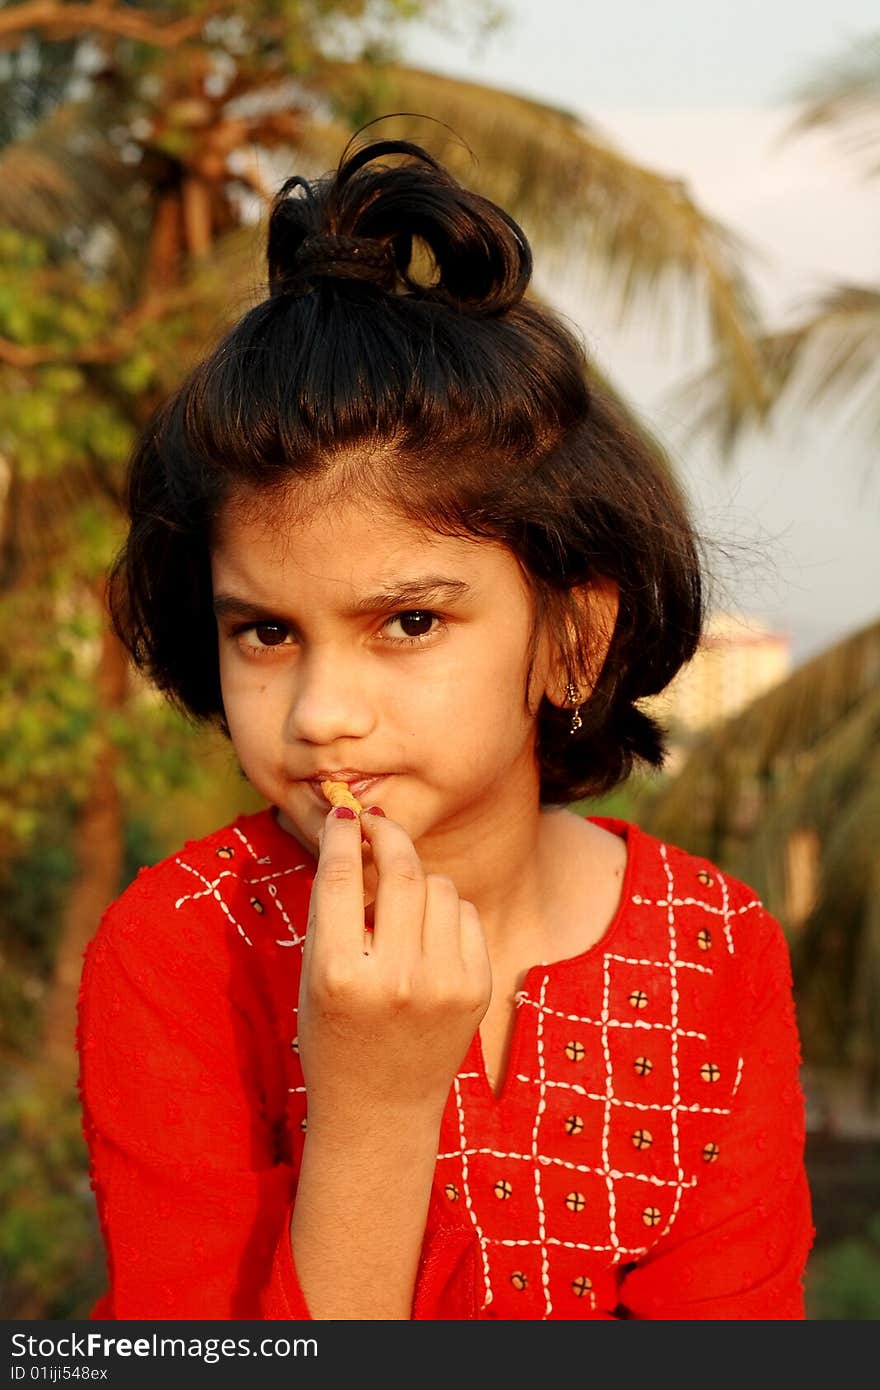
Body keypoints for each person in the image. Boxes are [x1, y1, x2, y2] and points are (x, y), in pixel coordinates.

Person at [76, 130, 814, 1321]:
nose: (322, 713)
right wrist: (372, 1112)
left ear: (570, 638)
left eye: (408, 623)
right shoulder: (180, 955)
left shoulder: (712, 950)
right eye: (266, 632)